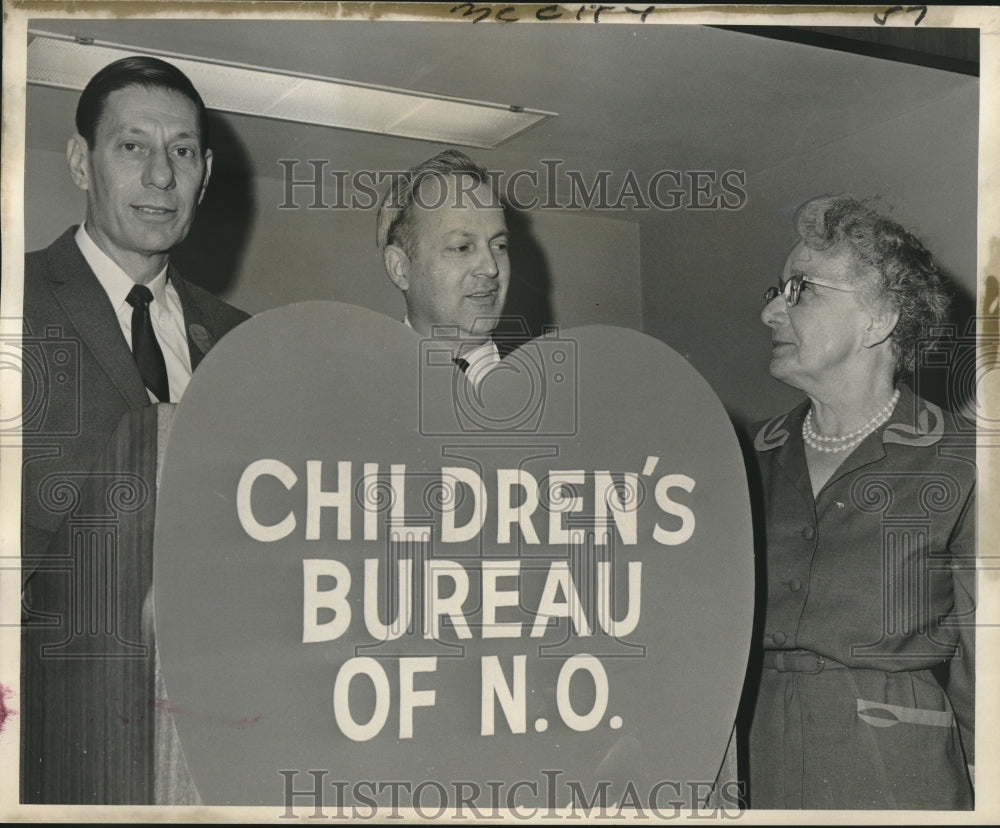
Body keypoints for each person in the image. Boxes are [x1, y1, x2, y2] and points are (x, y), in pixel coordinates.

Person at [20, 56, 250, 804]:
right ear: (82, 162)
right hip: (49, 729)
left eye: (181, 151)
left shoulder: (246, 342)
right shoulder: (11, 303)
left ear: (205, 173)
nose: (160, 176)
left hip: (223, 727)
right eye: (133, 146)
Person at [745, 194, 975, 809]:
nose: (771, 310)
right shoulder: (749, 457)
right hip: (756, 755)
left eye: (801, 289)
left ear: (879, 320)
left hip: (895, 771)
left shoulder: (964, 460)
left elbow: (993, 674)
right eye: (777, 288)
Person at [375, 148, 511, 389]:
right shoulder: (356, 393)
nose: (491, 268)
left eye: (499, 246)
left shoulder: (562, 395)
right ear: (400, 268)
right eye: (461, 247)